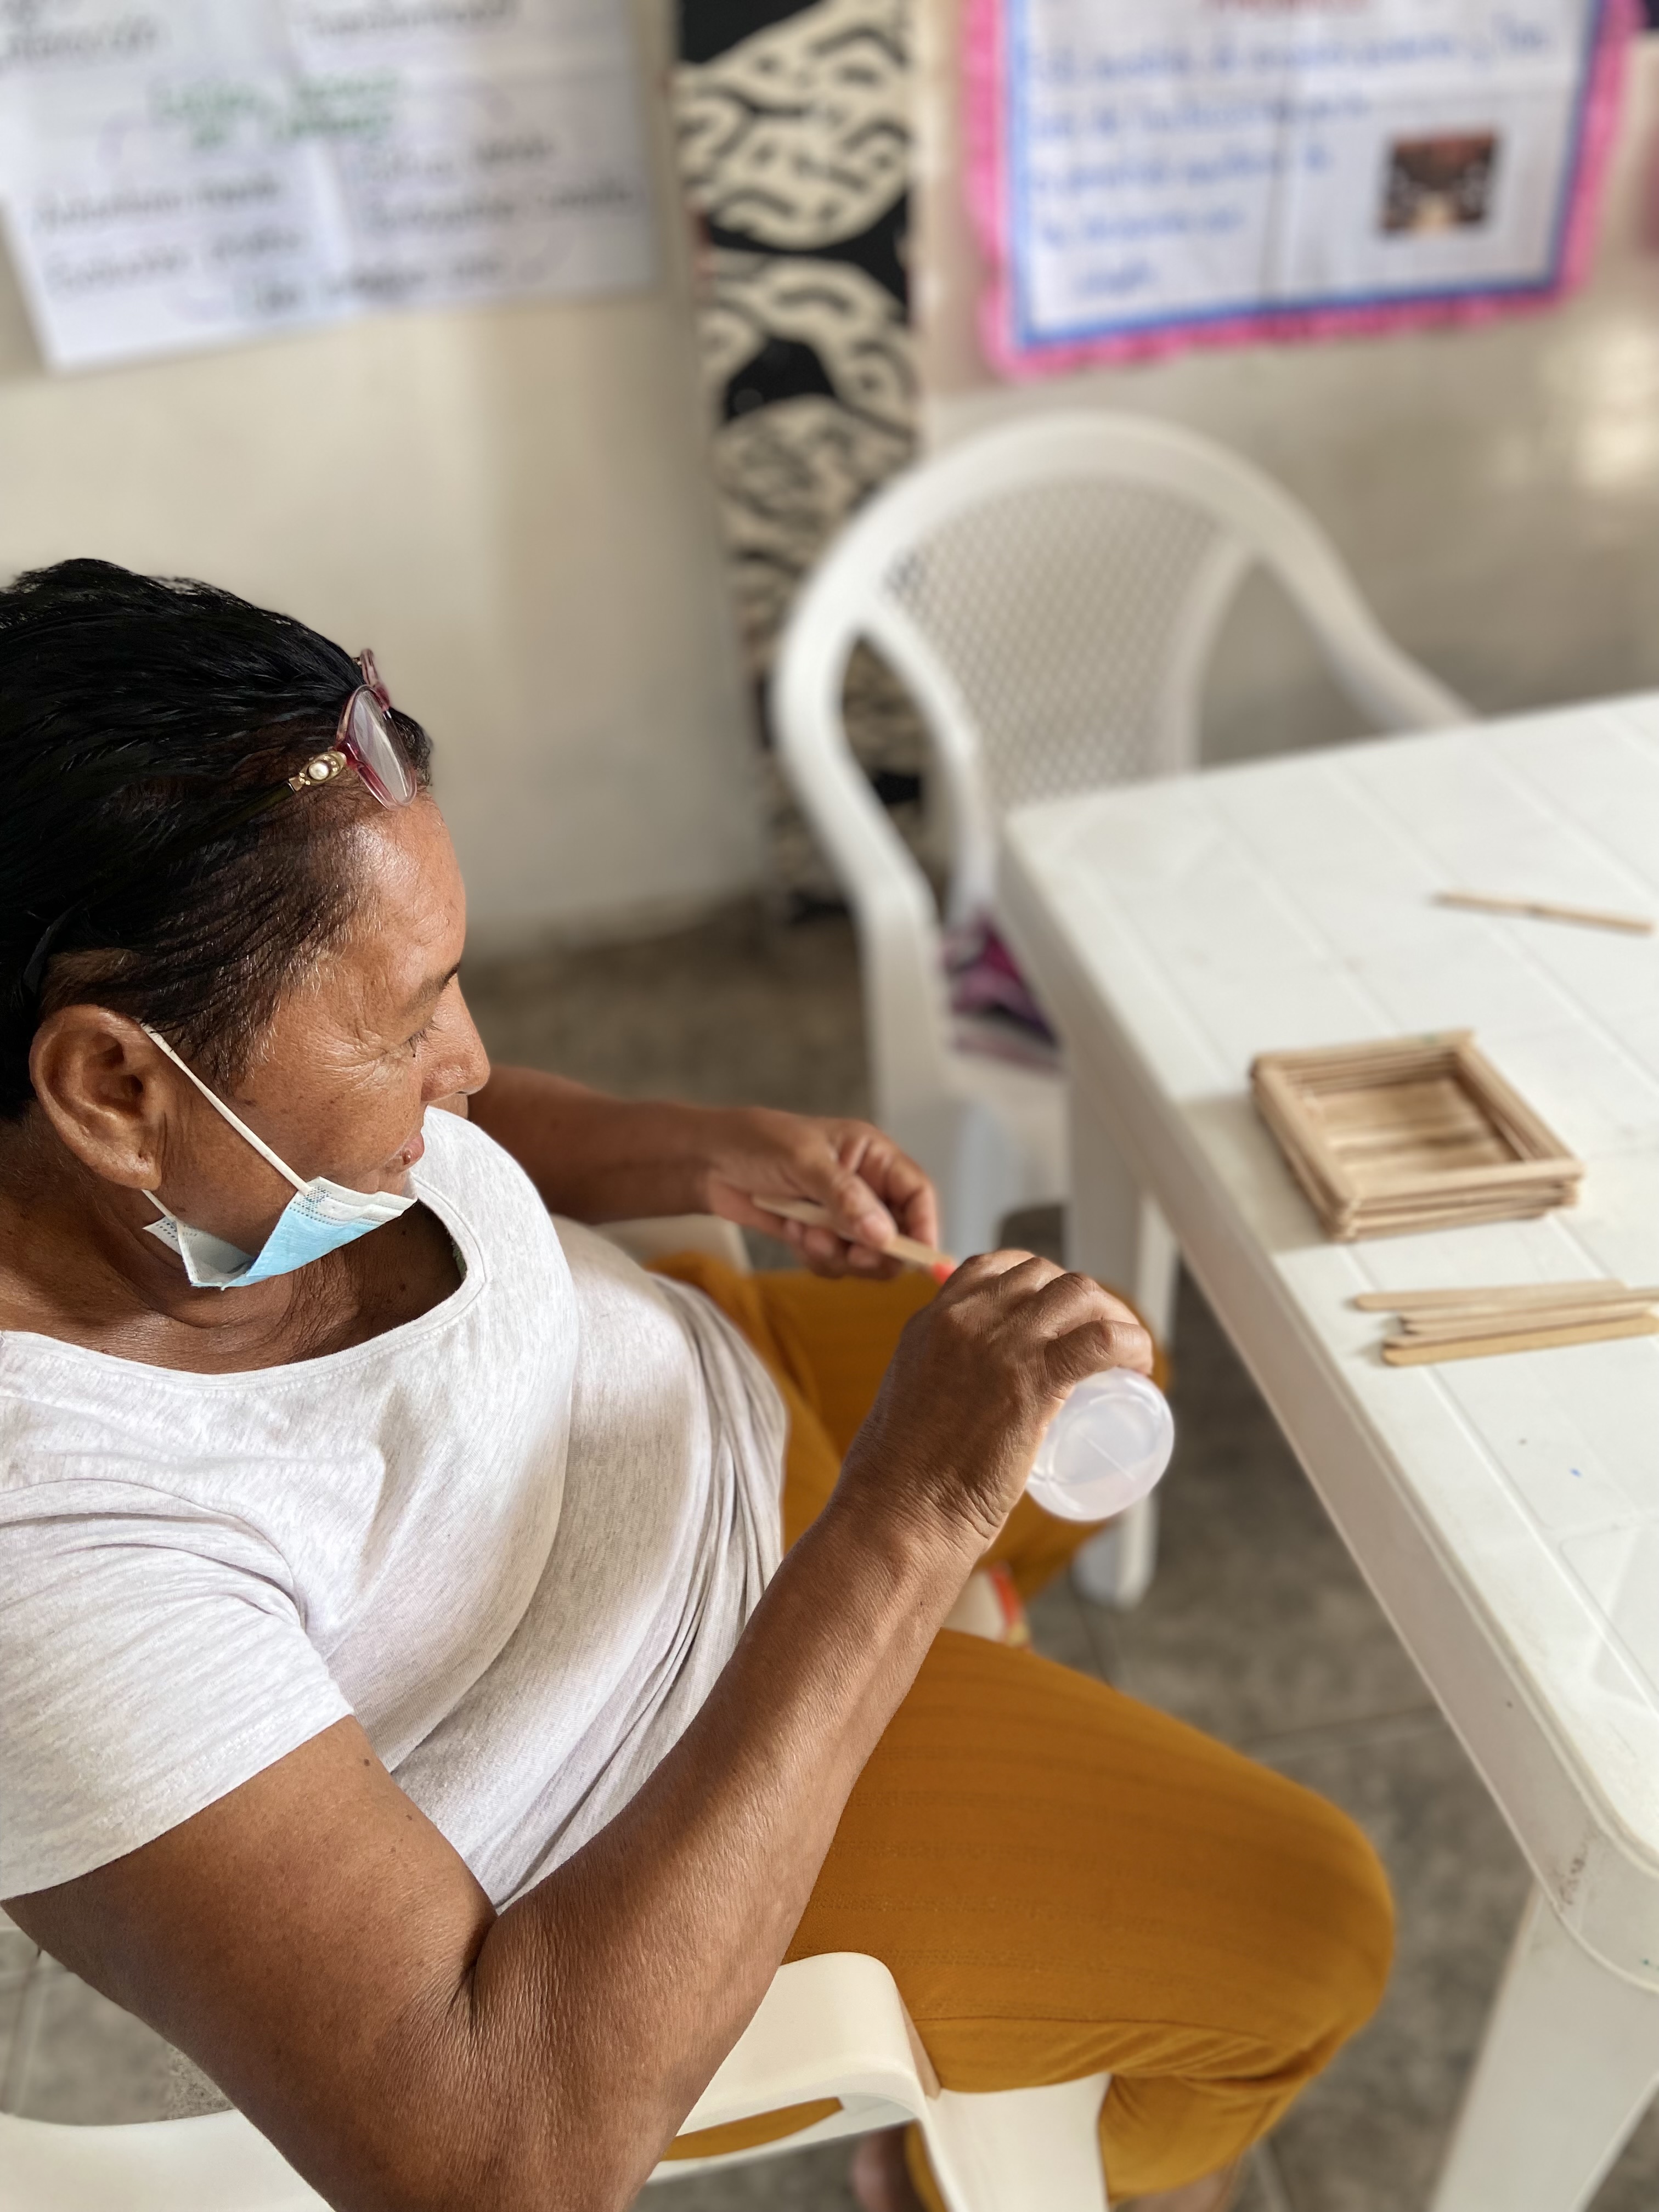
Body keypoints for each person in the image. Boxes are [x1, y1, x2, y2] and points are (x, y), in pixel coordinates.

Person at [0, 561, 1392, 2212]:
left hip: (703, 1387)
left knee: (1097, 1368)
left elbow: (453, 1127)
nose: (469, 1064)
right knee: (1317, 1933)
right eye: (407, 1020)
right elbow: (504, 2161)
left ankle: (964, 1646)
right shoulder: (50, 1557)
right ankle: (941, 2173)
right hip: (661, 1777)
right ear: (111, 1085)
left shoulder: (189, 1153)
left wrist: (690, 1149)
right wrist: (909, 1522)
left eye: (454, 977)